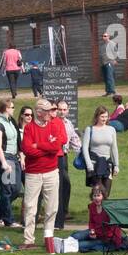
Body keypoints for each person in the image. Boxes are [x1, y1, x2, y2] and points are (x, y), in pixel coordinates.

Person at [20, 99, 67, 252]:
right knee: (30, 207)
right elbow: (28, 150)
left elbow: (56, 146)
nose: (50, 113)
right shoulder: (29, 128)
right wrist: (46, 147)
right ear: (38, 112)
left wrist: (38, 145)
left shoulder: (54, 125)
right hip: (33, 173)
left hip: (51, 172)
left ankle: (49, 239)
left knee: (52, 207)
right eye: (47, 111)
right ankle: (28, 240)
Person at [0, 101, 21, 228]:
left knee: (16, 189)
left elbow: (17, 139)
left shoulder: (11, 121)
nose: (14, 109)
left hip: (13, 157)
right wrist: (3, 162)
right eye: (12, 107)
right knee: (7, 190)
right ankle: (9, 220)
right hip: (5, 157)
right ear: (6, 108)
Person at [53, 99, 80, 231]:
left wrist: (82, 152)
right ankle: (57, 214)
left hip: (64, 156)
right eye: (60, 109)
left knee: (66, 184)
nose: (62, 112)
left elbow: (74, 139)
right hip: (54, 156)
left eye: (65, 109)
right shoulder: (52, 122)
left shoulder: (68, 123)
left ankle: (63, 211)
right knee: (60, 184)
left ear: (68, 110)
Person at [82, 105, 120, 197]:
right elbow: (85, 149)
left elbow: (114, 148)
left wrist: (116, 165)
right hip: (94, 164)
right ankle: (95, 211)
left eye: (106, 116)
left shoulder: (111, 130)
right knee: (97, 193)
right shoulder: (90, 129)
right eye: (102, 116)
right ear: (97, 116)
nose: (104, 119)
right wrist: (89, 165)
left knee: (106, 193)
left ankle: (104, 211)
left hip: (107, 164)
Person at [73, 184, 122, 252]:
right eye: (94, 195)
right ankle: (61, 243)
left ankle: (65, 246)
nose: (96, 198)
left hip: (106, 238)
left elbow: (112, 228)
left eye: (99, 195)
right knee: (76, 236)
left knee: (80, 245)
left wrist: (97, 234)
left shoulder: (109, 208)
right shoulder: (92, 206)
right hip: (95, 233)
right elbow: (91, 222)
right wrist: (92, 231)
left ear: (103, 196)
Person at [100, 31, 119, 95]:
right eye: (103, 36)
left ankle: (112, 91)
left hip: (109, 62)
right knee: (106, 78)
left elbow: (116, 52)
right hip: (104, 63)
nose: (103, 37)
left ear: (108, 37)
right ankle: (108, 91)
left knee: (109, 77)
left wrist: (114, 60)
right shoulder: (102, 46)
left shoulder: (111, 44)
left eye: (105, 36)